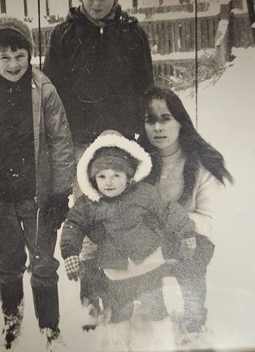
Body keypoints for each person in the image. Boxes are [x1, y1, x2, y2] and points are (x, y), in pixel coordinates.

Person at [0, 15, 74, 351]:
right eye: (4, 57)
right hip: (0, 198)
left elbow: (62, 143)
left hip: (38, 196)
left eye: (20, 56)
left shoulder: (44, 89)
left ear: (30, 54)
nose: (13, 64)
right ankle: (12, 318)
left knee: (43, 263)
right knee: (8, 264)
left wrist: (60, 194)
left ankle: (50, 327)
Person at [43, 0, 155, 329]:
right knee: (91, 215)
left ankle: (125, 293)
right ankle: (91, 295)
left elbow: (145, 84)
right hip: (81, 141)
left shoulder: (133, 34)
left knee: (124, 215)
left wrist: (141, 132)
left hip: (122, 139)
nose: (96, 2)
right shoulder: (63, 35)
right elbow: (51, 89)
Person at [60, 130, 197, 350]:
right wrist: (70, 253)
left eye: (116, 175)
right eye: (102, 176)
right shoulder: (90, 204)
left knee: (155, 307)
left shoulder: (144, 193)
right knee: (118, 312)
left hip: (149, 266)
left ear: (128, 176)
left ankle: (160, 343)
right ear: (94, 179)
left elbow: (168, 209)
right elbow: (73, 225)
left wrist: (186, 233)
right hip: (115, 272)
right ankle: (119, 345)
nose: (109, 182)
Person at [137, 86, 234, 334]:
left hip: (186, 240)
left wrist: (175, 219)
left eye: (165, 119)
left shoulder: (200, 164)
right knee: (151, 310)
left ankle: (194, 318)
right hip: (148, 242)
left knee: (193, 253)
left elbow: (207, 220)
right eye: (150, 121)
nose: (157, 128)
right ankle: (153, 316)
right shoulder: (136, 162)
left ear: (181, 122)